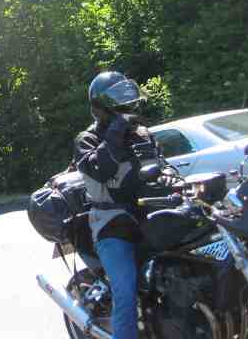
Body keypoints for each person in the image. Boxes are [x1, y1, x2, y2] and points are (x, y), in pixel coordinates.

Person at [73, 71, 162, 339]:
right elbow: (100, 169)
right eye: (120, 101)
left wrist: (169, 175)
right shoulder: (87, 140)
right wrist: (117, 130)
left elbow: (160, 164)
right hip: (113, 225)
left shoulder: (142, 134)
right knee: (126, 290)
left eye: (128, 98)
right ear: (102, 107)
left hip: (150, 215)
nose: (127, 106)